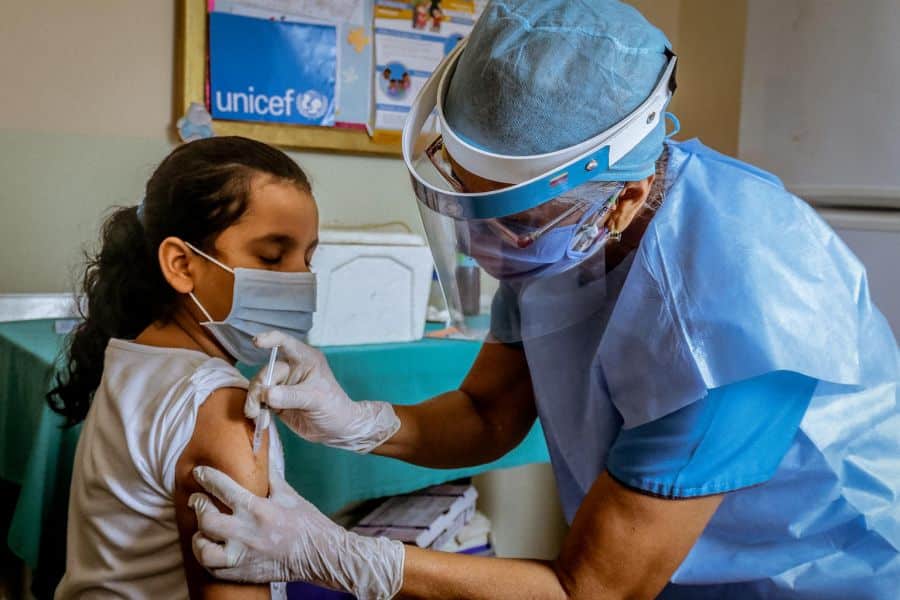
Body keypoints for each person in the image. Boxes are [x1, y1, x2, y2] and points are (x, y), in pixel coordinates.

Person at [188, 1, 900, 598]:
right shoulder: (564, 232)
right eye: (469, 206)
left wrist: (343, 558)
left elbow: (591, 589)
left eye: (515, 220)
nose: (481, 245)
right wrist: (359, 421)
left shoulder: (733, 314)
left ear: (622, 198)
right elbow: (487, 412)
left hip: (814, 572)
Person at [49, 136, 334, 599]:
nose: (300, 280)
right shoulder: (220, 410)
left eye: (308, 257)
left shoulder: (133, 350)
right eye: (270, 256)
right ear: (182, 264)